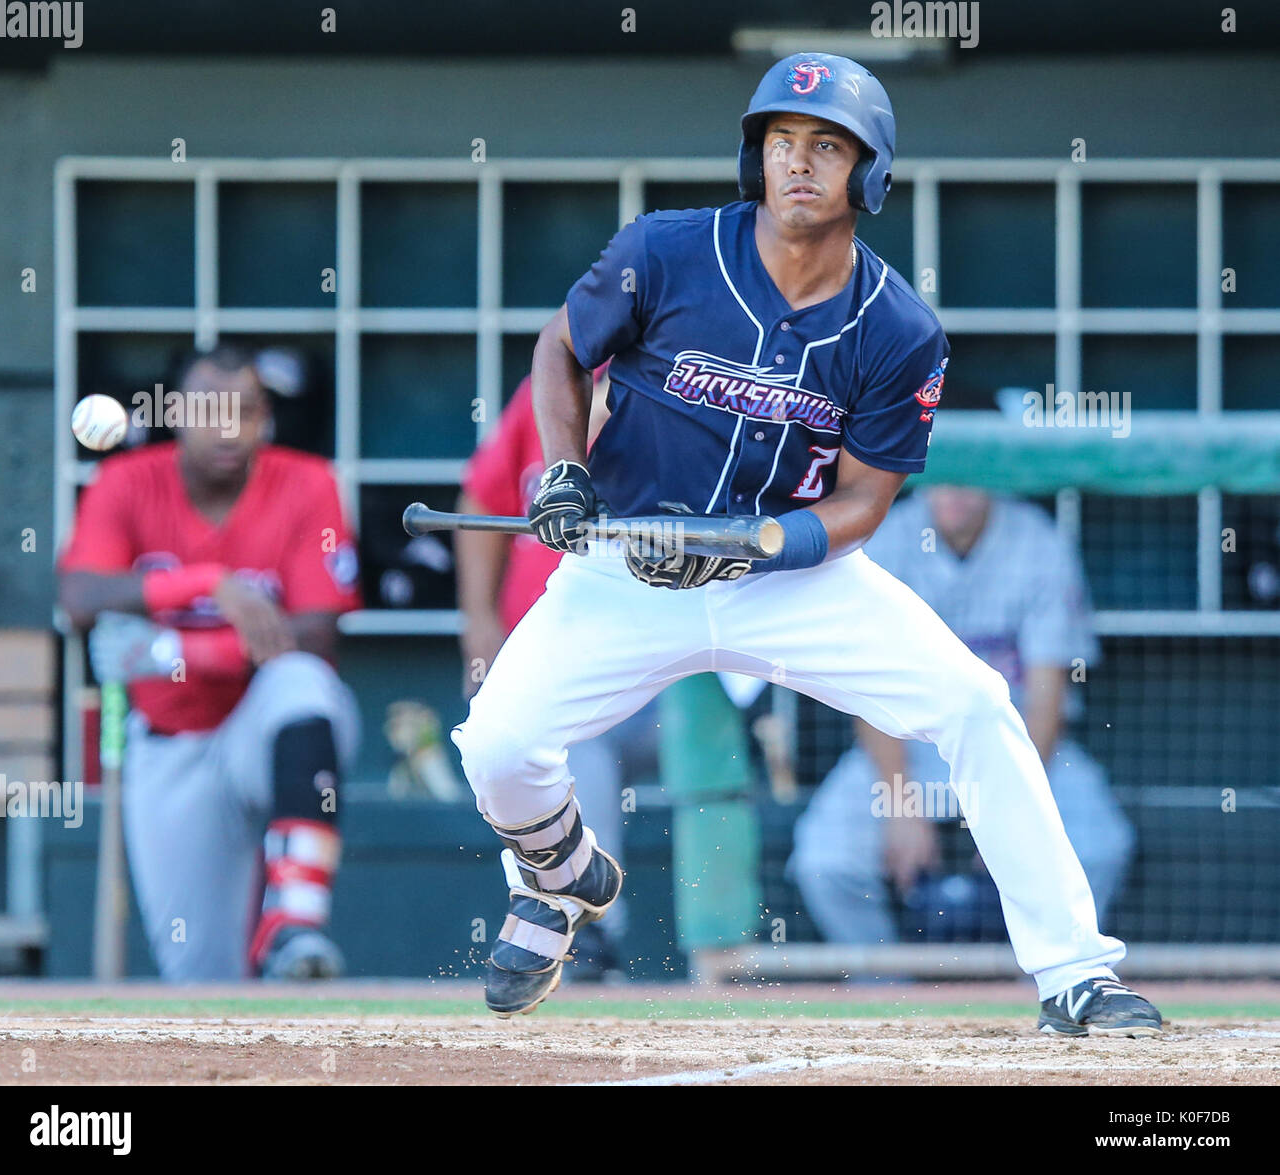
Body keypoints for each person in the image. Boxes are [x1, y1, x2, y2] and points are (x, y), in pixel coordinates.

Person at [450, 53, 1162, 1036]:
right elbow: (560, 350)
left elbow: (866, 501)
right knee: (494, 740)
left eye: (825, 146)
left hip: (790, 577)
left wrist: (759, 545)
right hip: (627, 562)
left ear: (868, 175)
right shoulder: (665, 248)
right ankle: (558, 869)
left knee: (974, 703)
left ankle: (1076, 971)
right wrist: (563, 469)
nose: (797, 164)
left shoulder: (898, 326)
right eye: (781, 143)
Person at [58, 344, 362, 981]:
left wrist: (178, 650)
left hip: (261, 725)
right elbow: (80, 596)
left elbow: (316, 637)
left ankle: (295, 920)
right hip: (171, 744)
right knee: (201, 974)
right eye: (209, 411)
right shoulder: (128, 480)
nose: (229, 429)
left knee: (303, 686)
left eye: (247, 412)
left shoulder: (307, 482)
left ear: (265, 418)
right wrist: (205, 582)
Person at [789, 485, 1136, 947]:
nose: (956, 492)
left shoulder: (1037, 541)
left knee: (1101, 848)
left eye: (971, 478)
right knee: (825, 862)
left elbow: (1047, 700)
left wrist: (1009, 814)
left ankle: (1048, 985)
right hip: (908, 742)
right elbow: (865, 688)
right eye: (944, 477)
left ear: (996, 477)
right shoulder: (888, 535)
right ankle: (886, 1001)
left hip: (1017, 743)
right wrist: (899, 804)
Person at [455, 363, 635, 977]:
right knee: (523, 741)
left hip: (652, 663)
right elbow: (483, 497)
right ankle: (568, 904)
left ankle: (583, 924)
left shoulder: (691, 384)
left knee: (577, 741)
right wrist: (479, 622)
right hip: (551, 657)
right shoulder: (553, 385)